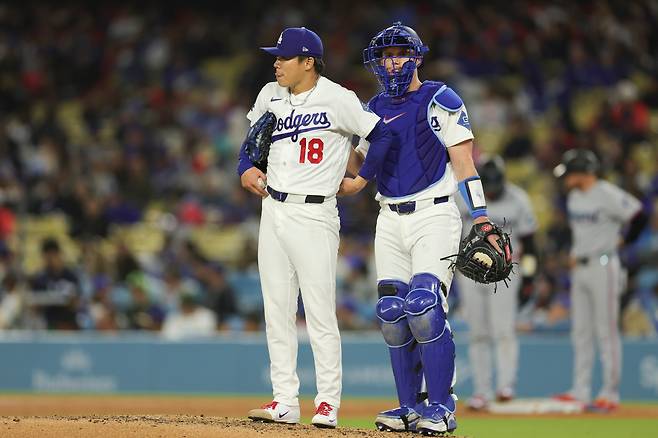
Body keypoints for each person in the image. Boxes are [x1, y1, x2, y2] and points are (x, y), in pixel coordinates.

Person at [341, 22, 505, 435]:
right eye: (384, 55)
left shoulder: (441, 98)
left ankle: (443, 406)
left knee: (424, 307)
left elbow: (464, 164)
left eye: (398, 53)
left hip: (435, 214)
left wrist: (481, 217)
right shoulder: (372, 107)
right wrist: (333, 140)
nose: (391, 61)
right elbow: (359, 165)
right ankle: (408, 407)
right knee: (392, 313)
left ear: (415, 57)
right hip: (388, 217)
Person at [238, 26, 393, 429]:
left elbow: (381, 133)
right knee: (277, 310)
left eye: (284, 57)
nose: (276, 62)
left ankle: (327, 403)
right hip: (272, 208)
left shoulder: (338, 99)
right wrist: (245, 168)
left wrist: (361, 179)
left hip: (314, 213)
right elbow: (251, 141)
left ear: (308, 62)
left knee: (321, 314)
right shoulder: (269, 94)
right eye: (275, 56)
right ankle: (285, 400)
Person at [552, 148, 648, 412]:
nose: (566, 178)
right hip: (580, 267)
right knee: (581, 331)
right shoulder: (573, 198)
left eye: (570, 172)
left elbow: (640, 215)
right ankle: (580, 391)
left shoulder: (607, 193)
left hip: (604, 265)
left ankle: (610, 393)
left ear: (582, 170)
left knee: (605, 331)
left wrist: (624, 241)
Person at [454, 155, 538, 410]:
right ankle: (482, 391)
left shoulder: (519, 199)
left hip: (507, 273)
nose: (491, 189)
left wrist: (530, 278)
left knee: (503, 330)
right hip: (471, 273)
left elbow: (532, 246)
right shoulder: (464, 196)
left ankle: (505, 386)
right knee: (478, 332)